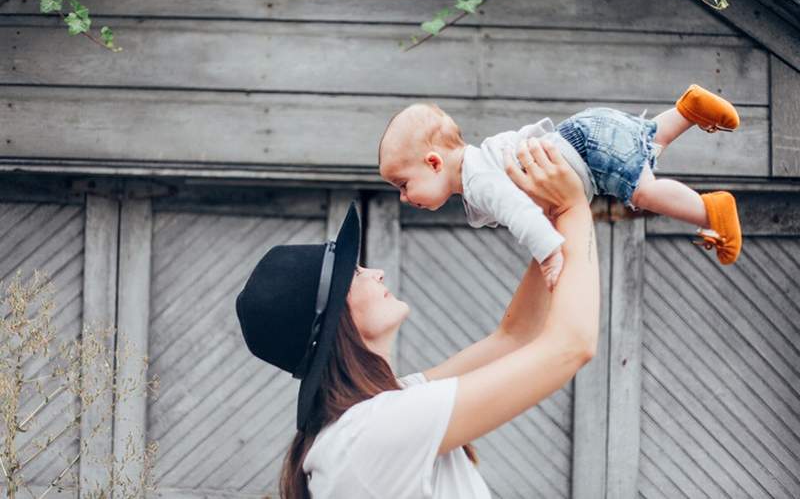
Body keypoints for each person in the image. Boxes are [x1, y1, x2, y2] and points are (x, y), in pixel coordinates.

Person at [235, 141, 600, 498]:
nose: (375, 272)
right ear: (334, 322)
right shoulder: (375, 430)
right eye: (355, 274)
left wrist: (551, 220)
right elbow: (570, 346)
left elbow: (515, 336)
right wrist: (573, 208)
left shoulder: (376, 414)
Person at [378, 84, 743, 290]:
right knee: (644, 144)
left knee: (642, 191)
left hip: (588, 150)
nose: (403, 197)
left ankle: (711, 211)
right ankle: (688, 110)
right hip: (587, 136)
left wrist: (550, 254)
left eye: (403, 184)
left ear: (434, 162)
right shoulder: (483, 160)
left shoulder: (478, 180)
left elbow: (520, 213)